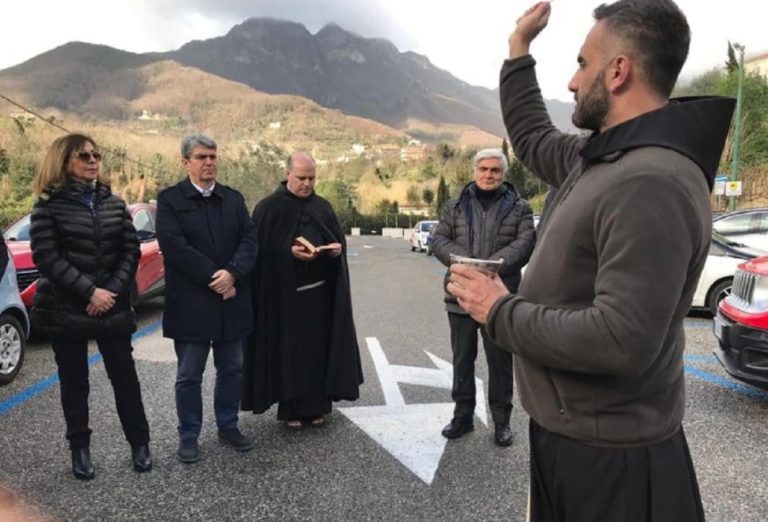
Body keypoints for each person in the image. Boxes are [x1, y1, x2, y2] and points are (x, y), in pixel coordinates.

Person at [447, 1, 735, 520]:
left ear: (619, 71)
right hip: (573, 435)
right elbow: (533, 138)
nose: (574, 82)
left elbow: (621, 340)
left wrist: (499, 310)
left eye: (583, 63)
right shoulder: (601, 156)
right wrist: (518, 52)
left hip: (612, 460)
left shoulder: (651, 181)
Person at [29, 133, 151, 480]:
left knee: (125, 380)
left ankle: (140, 444)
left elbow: (131, 250)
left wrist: (109, 291)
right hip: (66, 309)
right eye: (84, 156)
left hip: (111, 306)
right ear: (64, 161)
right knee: (74, 384)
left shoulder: (115, 203)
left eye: (96, 154)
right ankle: (79, 450)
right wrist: (88, 293)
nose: (93, 160)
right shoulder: (47, 207)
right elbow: (47, 257)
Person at [241, 152, 363, 429]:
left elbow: (335, 241)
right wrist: (287, 253)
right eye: (301, 178)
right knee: (289, 353)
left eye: (311, 178)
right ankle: (291, 410)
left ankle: (318, 407)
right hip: (283, 300)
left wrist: (333, 252)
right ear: (287, 175)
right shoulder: (268, 209)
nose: (307, 184)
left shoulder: (322, 207)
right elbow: (257, 254)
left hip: (320, 296)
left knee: (317, 352)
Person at [156, 134, 258, 463]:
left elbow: (249, 241)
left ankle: (228, 425)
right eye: (201, 157)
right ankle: (189, 434)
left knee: (232, 370)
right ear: (186, 162)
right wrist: (216, 277)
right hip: (191, 306)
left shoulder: (232, 198)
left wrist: (233, 274)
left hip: (231, 301)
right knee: (189, 375)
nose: (209, 162)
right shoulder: (170, 200)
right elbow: (174, 247)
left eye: (213, 156)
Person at [431, 148, 535, 447]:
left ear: (504, 174)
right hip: (460, 294)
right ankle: (462, 416)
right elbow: (439, 240)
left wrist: (493, 267)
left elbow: (525, 242)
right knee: (462, 360)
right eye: (484, 169)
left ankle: (501, 421)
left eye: (495, 170)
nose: (489, 175)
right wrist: (469, 265)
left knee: (500, 363)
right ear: (474, 171)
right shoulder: (454, 206)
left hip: (499, 300)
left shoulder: (520, 208)